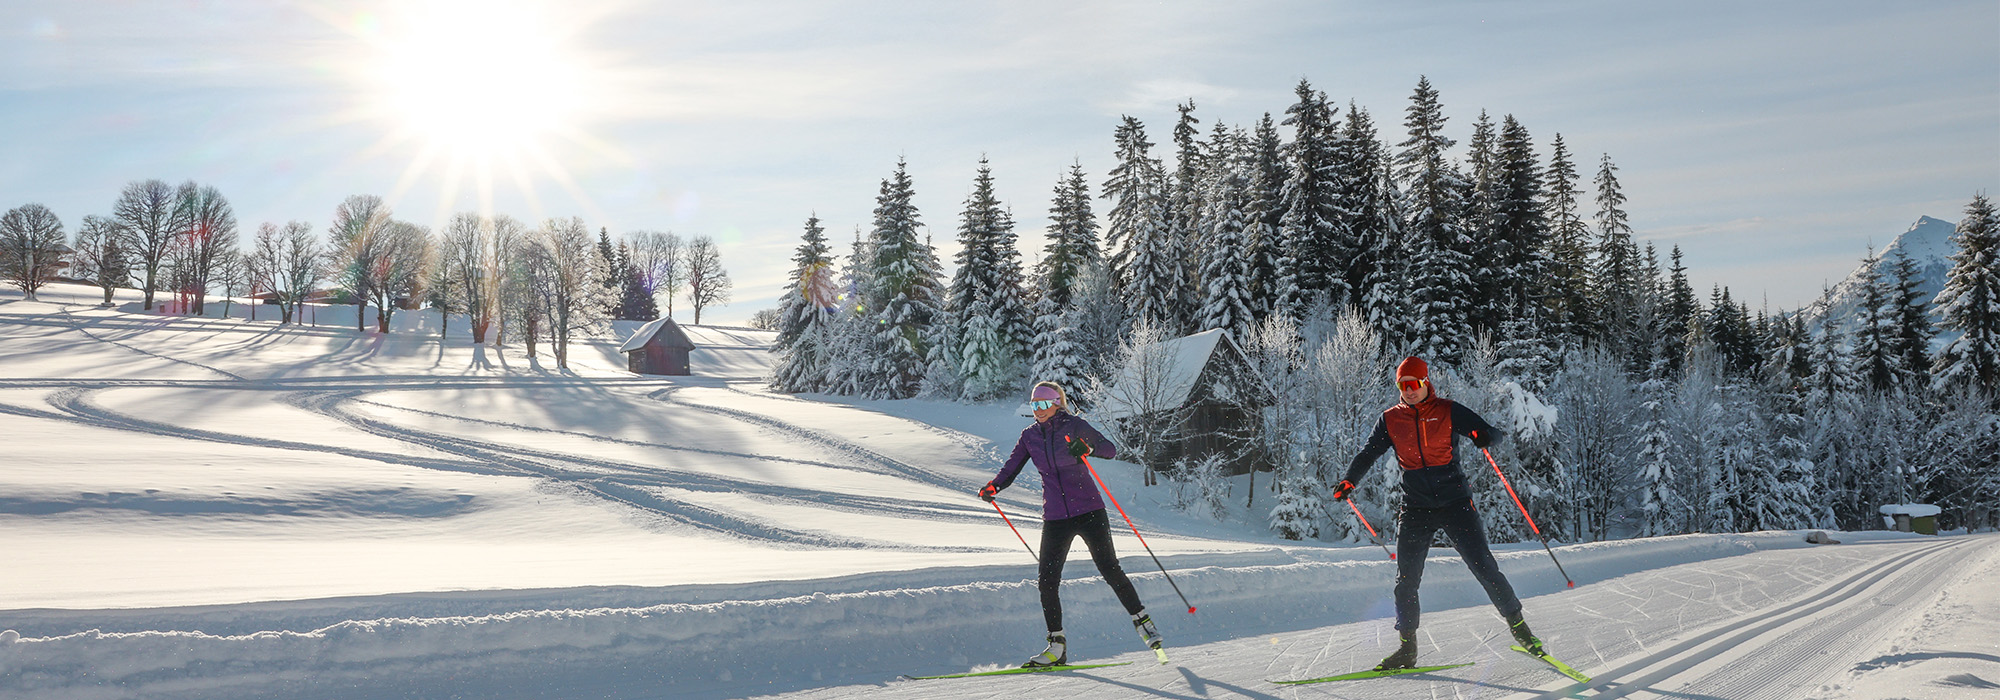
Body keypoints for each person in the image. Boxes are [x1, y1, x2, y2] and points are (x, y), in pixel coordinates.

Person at [1333, 356, 1541, 670]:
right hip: (1415, 508)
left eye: (1414, 384)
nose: (1410, 390)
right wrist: (1349, 479)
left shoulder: (1447, 410)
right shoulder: (1390, 419)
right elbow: (1368, 453)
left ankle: (1520, 629)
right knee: (1406, 581)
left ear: (1425, 382)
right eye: (1403, 385)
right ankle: (1407, 649)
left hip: (1456, 505)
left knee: (1484, 567)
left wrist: (1483, 437)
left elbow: (1492, 432)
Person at [981, 381, 1162, 668]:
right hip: (1055, 517)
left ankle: (1143, 621)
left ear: (1056, 403)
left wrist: (1087, 448)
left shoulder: (1074, 426)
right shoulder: (1029, 436)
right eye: (1034, 404)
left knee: (1109, 567)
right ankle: (1056, 646)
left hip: (1089, 510)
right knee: (1047, 581)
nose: (1038, 410)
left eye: (1043, 404)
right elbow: (1011, 467)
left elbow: (1110, 449)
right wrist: (994, 487)